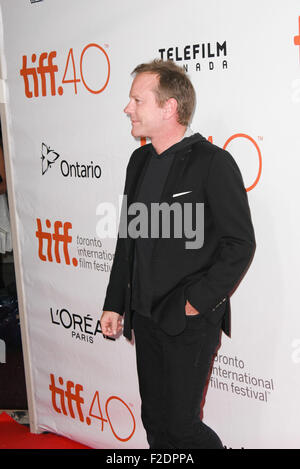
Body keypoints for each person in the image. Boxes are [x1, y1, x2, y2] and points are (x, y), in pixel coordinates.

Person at [100, 59, 255, 449]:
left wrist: (196, 302)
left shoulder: (213, 163)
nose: (127, 108)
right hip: (145, 317)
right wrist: (115, 303)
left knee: (183, 428)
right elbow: (127, 240)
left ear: (169, 107)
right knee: (154, 421)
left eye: (137, 100)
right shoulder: (138, 162)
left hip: (188, 321)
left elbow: (240, 244)